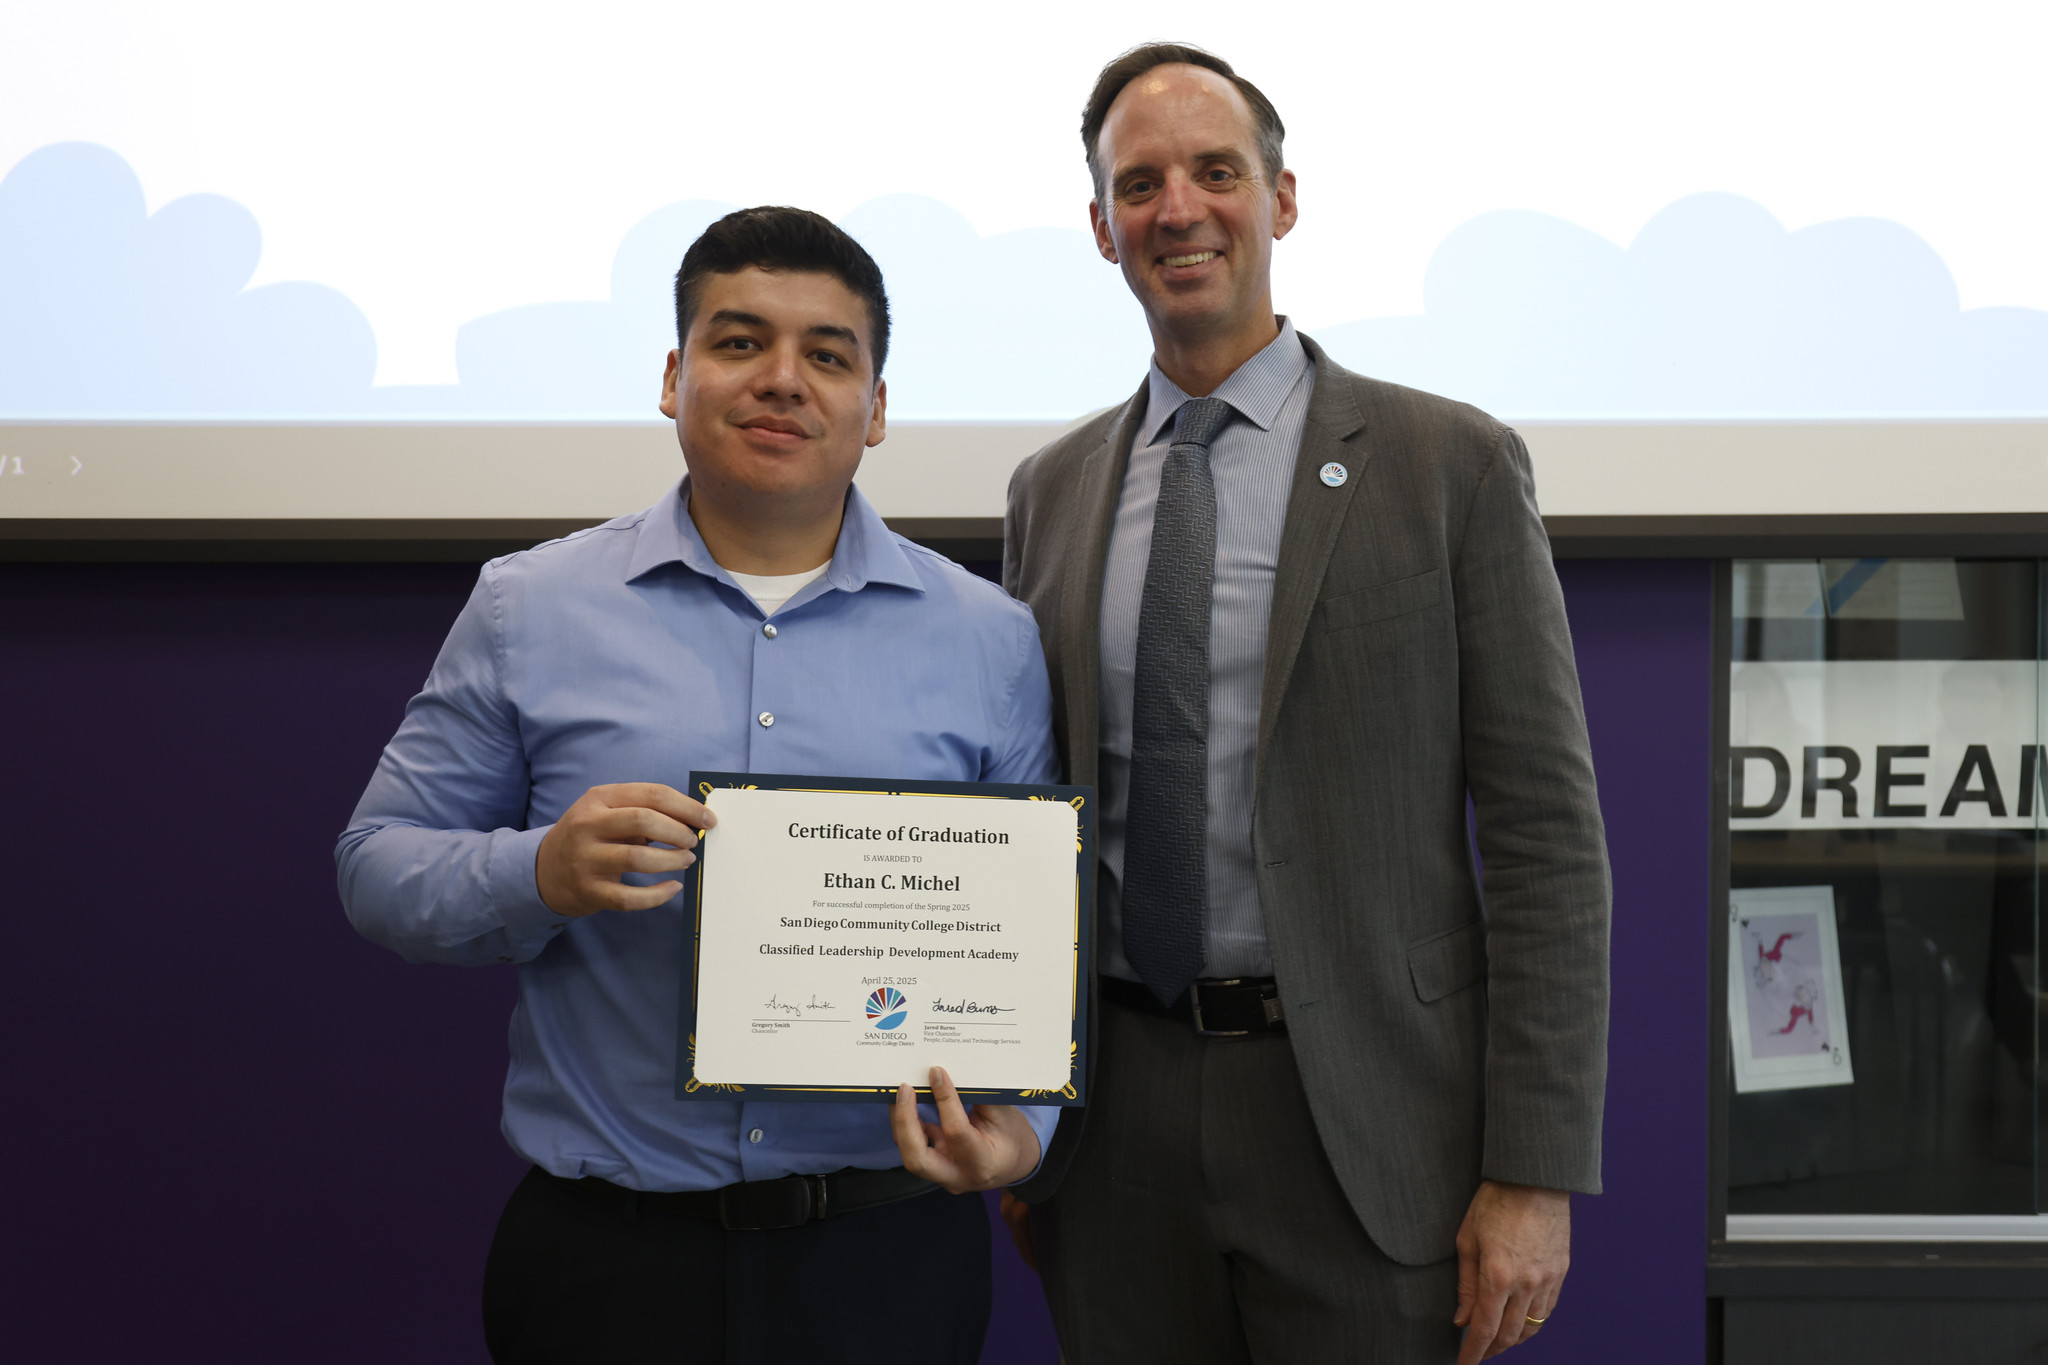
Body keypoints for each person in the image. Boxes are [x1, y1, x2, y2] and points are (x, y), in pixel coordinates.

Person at [336, 207, 1057, 1364]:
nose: (781, 380)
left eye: (827, 355)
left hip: (887, 1263)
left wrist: (1024, 1134)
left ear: (874, 411)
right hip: (608, 1267)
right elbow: (375, 868)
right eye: (737, 343)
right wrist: (541, 871)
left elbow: (1042, 938)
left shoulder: (989, 637)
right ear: (673, 377)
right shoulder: (529, 606)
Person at [1001, 44, 1611, 1365]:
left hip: (1368, 1118)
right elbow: (1028, 820)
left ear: (1282, 199)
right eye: (1141, 182)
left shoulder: (1449, 463)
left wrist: (1535, 1169)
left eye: (1217, 172)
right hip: (1115, 1122)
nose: (1180, 209)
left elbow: (1548, 838)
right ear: (1102, 227)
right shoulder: (1048, 493)